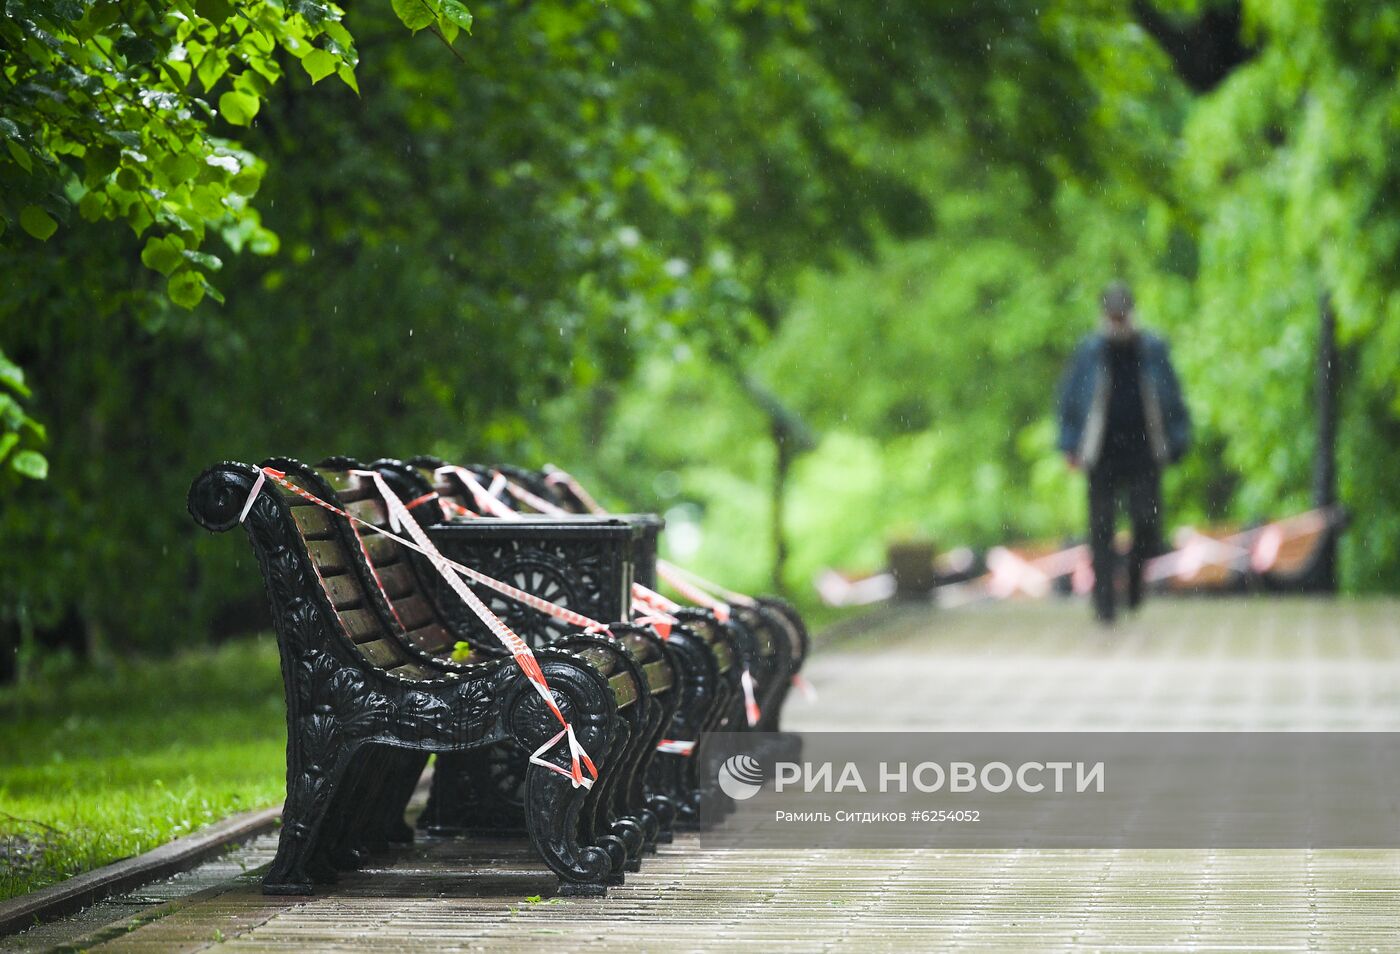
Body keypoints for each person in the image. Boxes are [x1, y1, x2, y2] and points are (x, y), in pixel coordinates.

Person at [1057, 282, 1191, 623]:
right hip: (1100, 453)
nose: (1118, 320)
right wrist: (1069, 445)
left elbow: (1173, 398)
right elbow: (1069, 401)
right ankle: (1104, 604)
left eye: (1122, 313)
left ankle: (1133, 581)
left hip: (1144, 451)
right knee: (1100, 529)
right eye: (1112, 314)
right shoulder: (1089, 351)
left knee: (1148, 524)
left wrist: (1179, 441)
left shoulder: (1153, 349)